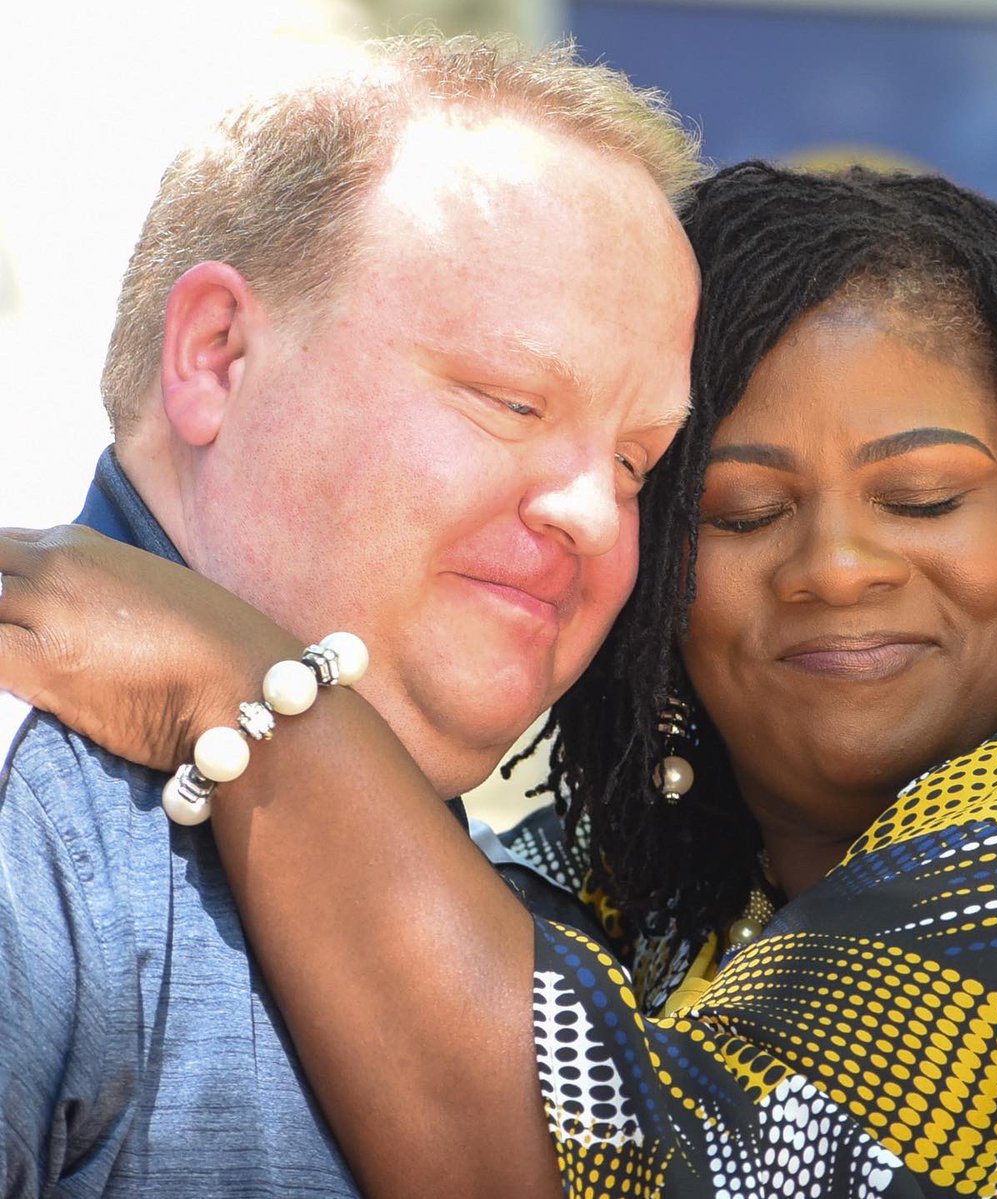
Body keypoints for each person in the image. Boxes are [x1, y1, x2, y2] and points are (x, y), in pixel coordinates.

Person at [3, 162, 997, 1198]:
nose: (837, 567)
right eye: (744, 513)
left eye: (924, 499)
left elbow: (626, 1158)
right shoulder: (593, 905)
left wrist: (239, 678)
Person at [0, 31, 701, 1196]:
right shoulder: (26, 773)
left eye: (637, 462)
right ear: (218, 355)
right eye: (511, 399)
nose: (591, 510)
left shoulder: (572, 918)